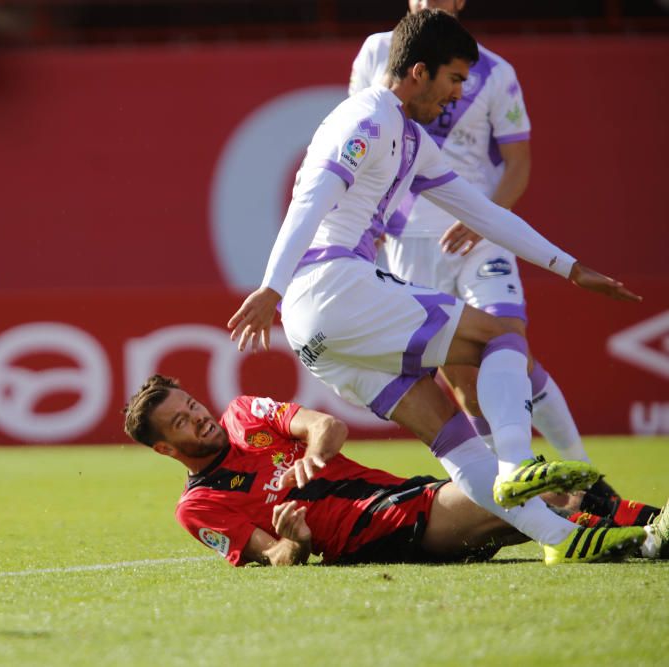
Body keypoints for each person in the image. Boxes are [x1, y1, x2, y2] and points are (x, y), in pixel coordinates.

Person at [225, 9, 649, 562]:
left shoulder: (410, 138)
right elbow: (310, 202)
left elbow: (484, 213)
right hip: (332, 286)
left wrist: (568, 267)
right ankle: (519, 464)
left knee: (454, 437)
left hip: (317, 334)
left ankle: (564, 540)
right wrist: (270, 287)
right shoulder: (367, 119)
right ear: (418, 72)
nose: (455, 97)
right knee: (499, 336)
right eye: (452, 80)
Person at [347, 0, 657, 527]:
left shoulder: (494, 72)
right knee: (464, 381)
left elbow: (518, 162)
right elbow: (364, 142)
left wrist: (488, 216)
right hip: (407, 241)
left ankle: (583, 478)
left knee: (507, 338)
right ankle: (528, 500)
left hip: (480, 234)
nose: (428, 3)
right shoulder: (379, 51)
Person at [122, 375, 667, 566]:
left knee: (534, 493)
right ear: (167, 450)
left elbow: (326, 425)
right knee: (524, 492)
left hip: (404, 494)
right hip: (378, 533)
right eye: (182, 422)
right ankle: (653, 527)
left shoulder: (243, 416)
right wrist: (297, 538)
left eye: (191, 405)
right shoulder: (198, 508)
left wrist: (312, 453)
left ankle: (647, 534)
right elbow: (279, 556)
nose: (197, 418)